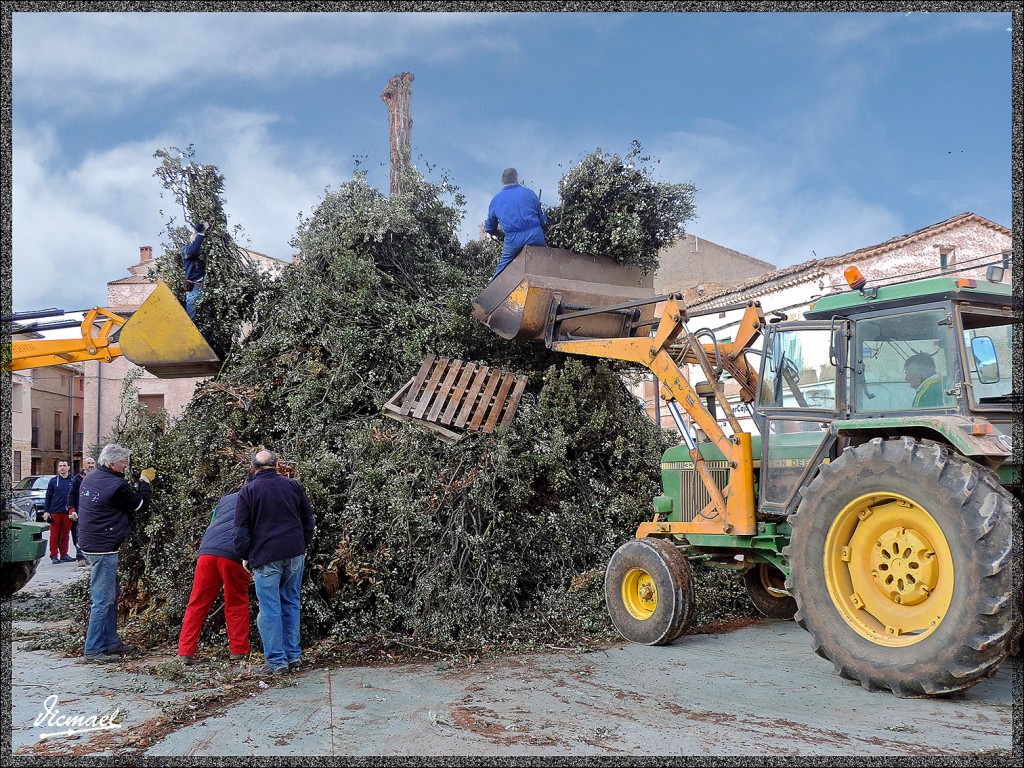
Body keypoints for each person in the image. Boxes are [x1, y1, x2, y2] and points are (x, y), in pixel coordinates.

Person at [234, 450, 315, 676]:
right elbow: (309, 519)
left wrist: (245, 556)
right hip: (294, 553)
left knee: (270, 608)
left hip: (266, 556)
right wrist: (302, 544)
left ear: (252, 469)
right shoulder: (293, 486)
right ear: (277, 465)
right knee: (290, 601)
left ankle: (277, 661)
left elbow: (241, 532)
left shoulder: (248, 492)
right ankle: (294, 655)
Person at [77, 443, 155, 662]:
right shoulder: (114, 486)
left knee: (110, 596)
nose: (126, 466)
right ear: (112, 463)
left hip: (91, 543)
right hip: (103, 548)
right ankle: (93, 650)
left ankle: (110, 643)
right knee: (103, 599)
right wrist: (145, 483)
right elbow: (140, 505)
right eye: (123, 463)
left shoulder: (92, 477)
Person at [177, 482, 253, 666]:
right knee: (236, 601)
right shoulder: (256, 499)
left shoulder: (225, 499)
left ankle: (185, 652)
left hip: (207, 552)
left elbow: (213, 521)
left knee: (197, 602)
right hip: (233, 554)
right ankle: (239, 651)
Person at [484, 168, 547, 281]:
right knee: (544, 264)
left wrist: (498, 234)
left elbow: (489, 227)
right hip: (535, 234)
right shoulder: (529, 193)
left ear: (502, 182)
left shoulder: (496, 199)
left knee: (501, 271)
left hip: (513, 239)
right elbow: (542, 220)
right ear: (517, 179)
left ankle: (490, 296)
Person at [43, 461, 75, 564]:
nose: (62, 468)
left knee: (65, 535)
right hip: (55, 512)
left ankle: (64, 554)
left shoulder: (73, 480)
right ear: (58, 468)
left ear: (68, 467)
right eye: (60, 466)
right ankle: (53, 555)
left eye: (64, 466)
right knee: (54, 535)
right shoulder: (53, 481)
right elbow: (48, 497)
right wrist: (46, 511)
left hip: (68, 512)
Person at [67, 455, 97, 563]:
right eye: (88, 463)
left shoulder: (97, 477)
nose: (91, 465)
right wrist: (71, 509)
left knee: (93, 534)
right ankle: (80, 556)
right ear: (84, 465)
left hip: (94, 512)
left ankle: (91, 556)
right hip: (80, 512)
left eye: (92, 463)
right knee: (79, 534)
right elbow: (71, 495)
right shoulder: (77, 479)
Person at [180, 221, 211, 319]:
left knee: (206, 319)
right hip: (193, 288)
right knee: (191, 320)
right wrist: (200, 234)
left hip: (204, 287)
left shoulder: (202, 252)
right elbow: (193, 250)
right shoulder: (185, 250)